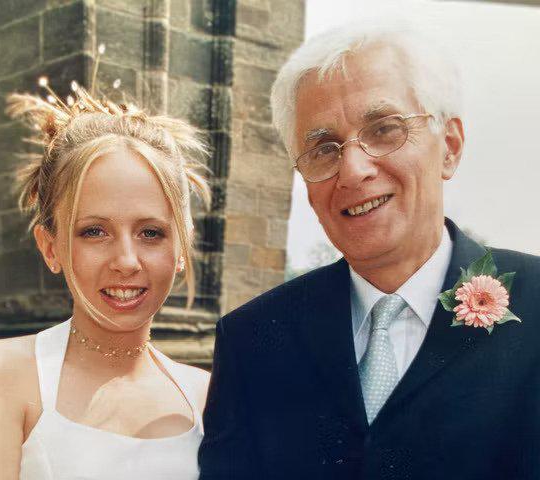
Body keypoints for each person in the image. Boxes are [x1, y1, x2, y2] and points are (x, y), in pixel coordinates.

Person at [199, 20, 540, 480]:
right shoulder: (252, 340)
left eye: (383, 129)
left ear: (450, 147)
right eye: (324, 149)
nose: (353, 170)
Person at [0, 77, 212, 479]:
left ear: (181, 248)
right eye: (94, 232)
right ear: (50, 247)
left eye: (150, 232)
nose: (126, 261)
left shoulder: (208, 398)